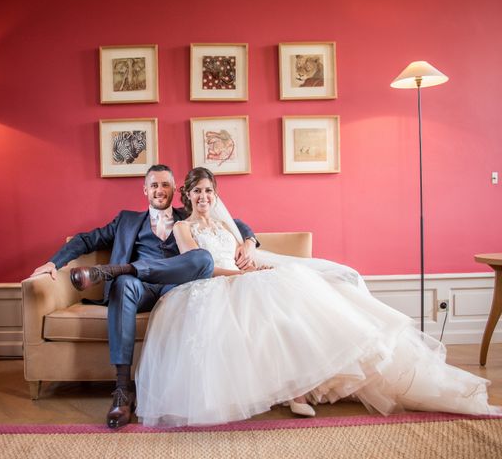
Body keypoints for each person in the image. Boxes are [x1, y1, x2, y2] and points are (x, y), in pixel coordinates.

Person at [135, 167, 500, 427]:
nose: (203, 197)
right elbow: (197, 265)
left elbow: (242, 245)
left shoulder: (227, 225)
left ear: (216, 196)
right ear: (187, 195)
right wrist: (241, 274)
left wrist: (250, 259)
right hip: (210, 285)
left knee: (294, 303)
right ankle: (291, 390)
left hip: (241, 278)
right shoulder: (184, 227)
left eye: (209, 191)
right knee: (266, 308)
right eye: (197, 191)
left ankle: (300, 388)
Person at [30, 164, 258, 429]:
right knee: (124, 283)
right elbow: (86, 240)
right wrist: (52, 263)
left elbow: (234, 222)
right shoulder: (126, 221)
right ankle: (122, 390)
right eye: (154, 185)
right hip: (138, 288)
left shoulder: (191, 214)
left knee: (202, 259)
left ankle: (113, 271)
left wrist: (250, 240)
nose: (160, 190)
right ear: (145, 190)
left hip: (174, 287)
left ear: (175, 189)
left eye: (165, 185)